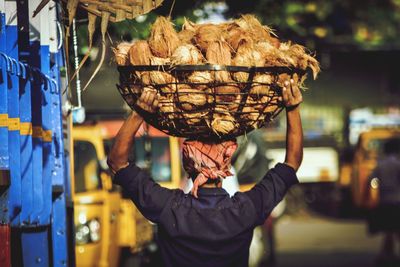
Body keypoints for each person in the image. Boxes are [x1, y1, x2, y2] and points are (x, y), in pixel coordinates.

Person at [107, 79, 303, 267]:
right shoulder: (246, 209)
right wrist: (293, 109)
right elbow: (292, 163)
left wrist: (138, 114)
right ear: (226, 166)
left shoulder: (168, 207)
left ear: (188, 166)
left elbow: (117, 162)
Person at [367, 138, 400, 265]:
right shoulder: (398, 163)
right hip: (397, 199)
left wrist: (378, 188)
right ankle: (387, 255)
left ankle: (386, 255)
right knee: (394, 229)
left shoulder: (380, 164)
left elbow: (372, 180)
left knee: (389, 230)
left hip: (385, 200)